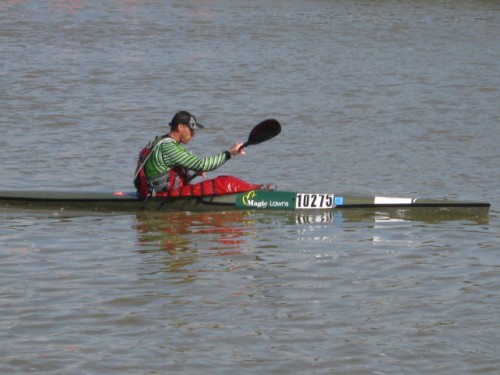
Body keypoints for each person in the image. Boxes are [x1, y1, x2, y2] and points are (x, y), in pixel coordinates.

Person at [142, 110, 246, 195]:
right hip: (161, 197)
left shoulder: (162, 141)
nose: (194, 134)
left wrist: (194, 173)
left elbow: (169, 172)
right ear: (180, 127)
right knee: (223, 183)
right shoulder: (168, 147)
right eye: (191, 130)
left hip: (158, 192)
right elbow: (203, 165)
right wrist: (229, 153)